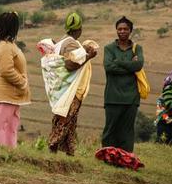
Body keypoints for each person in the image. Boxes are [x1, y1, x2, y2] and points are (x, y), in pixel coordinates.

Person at [44, 12, 98, 156]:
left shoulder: (62, 41)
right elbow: (70, 64)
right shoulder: (71, 43)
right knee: (64, 120)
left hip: (63, 89)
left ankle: (70, 152)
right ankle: (52, 146)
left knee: (70, 122)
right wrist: (88, 57)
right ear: (79, 29)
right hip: (71, 90)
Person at [0, 12, 31, 148]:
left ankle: (8, 151)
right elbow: (6, 70)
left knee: (10, 125)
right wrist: (22, 82)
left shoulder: (8, 44)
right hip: (6, 93)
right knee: (2, 125)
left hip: (11, 94)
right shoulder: (5, 46)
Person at [102, 16, 144, 152]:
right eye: (119, 29)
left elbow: (138, 65)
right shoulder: (109, 48)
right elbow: (109, 67)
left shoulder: (137, 48)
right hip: (112, 97)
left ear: (130, 31)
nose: (122, 31)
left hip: (131, 98)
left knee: (127, 131)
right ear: (116, 30)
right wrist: (130, 65)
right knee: (110, 130)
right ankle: (108, 156)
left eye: (125, 29)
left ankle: (125, 159)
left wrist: (118, 62)